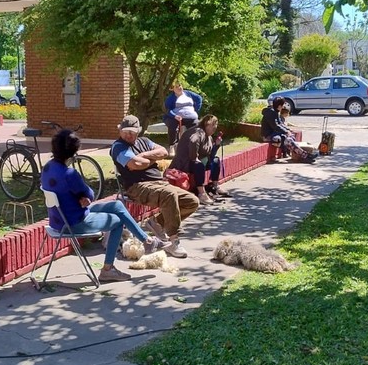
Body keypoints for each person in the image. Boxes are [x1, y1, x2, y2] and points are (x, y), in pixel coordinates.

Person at [41, 129, 171, 282]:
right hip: (74, 222)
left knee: (117, 205)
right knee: (116, 221)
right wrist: (83, 196)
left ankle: (147, 242)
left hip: (59, 219)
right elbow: (89, 194)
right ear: (73, 152)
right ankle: (107, 269)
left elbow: (68, 192)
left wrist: (78, 197)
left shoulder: (48, 167)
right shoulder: (69, 174)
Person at [111, 115, 199, 258]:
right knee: (169, 194)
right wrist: (151, 159)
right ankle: (173, 241)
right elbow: (136, 164)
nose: (129, 135)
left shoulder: (144, 141)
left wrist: (144, 155)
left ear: (138, 131)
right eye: (126, 131)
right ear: (120, 130)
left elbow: (163, 151)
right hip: (137, 186)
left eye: (132, 132)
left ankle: (156, 223)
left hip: (159, 183)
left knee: (192, 201)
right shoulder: (118, 146)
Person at [169, 114, 229, 205]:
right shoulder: (198, 132)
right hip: (184, 163)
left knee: (215, 160)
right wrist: (195, 158)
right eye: (212, 125)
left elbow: (211, 155)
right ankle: (201, 193)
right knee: (198, 164)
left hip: (197, 161)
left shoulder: (208, 137)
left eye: (215, 125)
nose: (214, 128)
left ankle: (215, 186)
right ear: (206, 124)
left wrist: (216, 145)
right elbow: (193, 142)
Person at [163, 83, 203, 147]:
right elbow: (167, 110)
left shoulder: (188, 93)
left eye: (180, 86)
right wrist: (174, 116)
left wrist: (195, 110)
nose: (179, 88)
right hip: (176, 118)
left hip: (191, 118)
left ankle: (195, 145)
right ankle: (172, 146)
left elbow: (199, 98)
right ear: (172, 89)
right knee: (173, 126)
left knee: (197, 127)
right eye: (176, 87)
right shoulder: (170, 98)